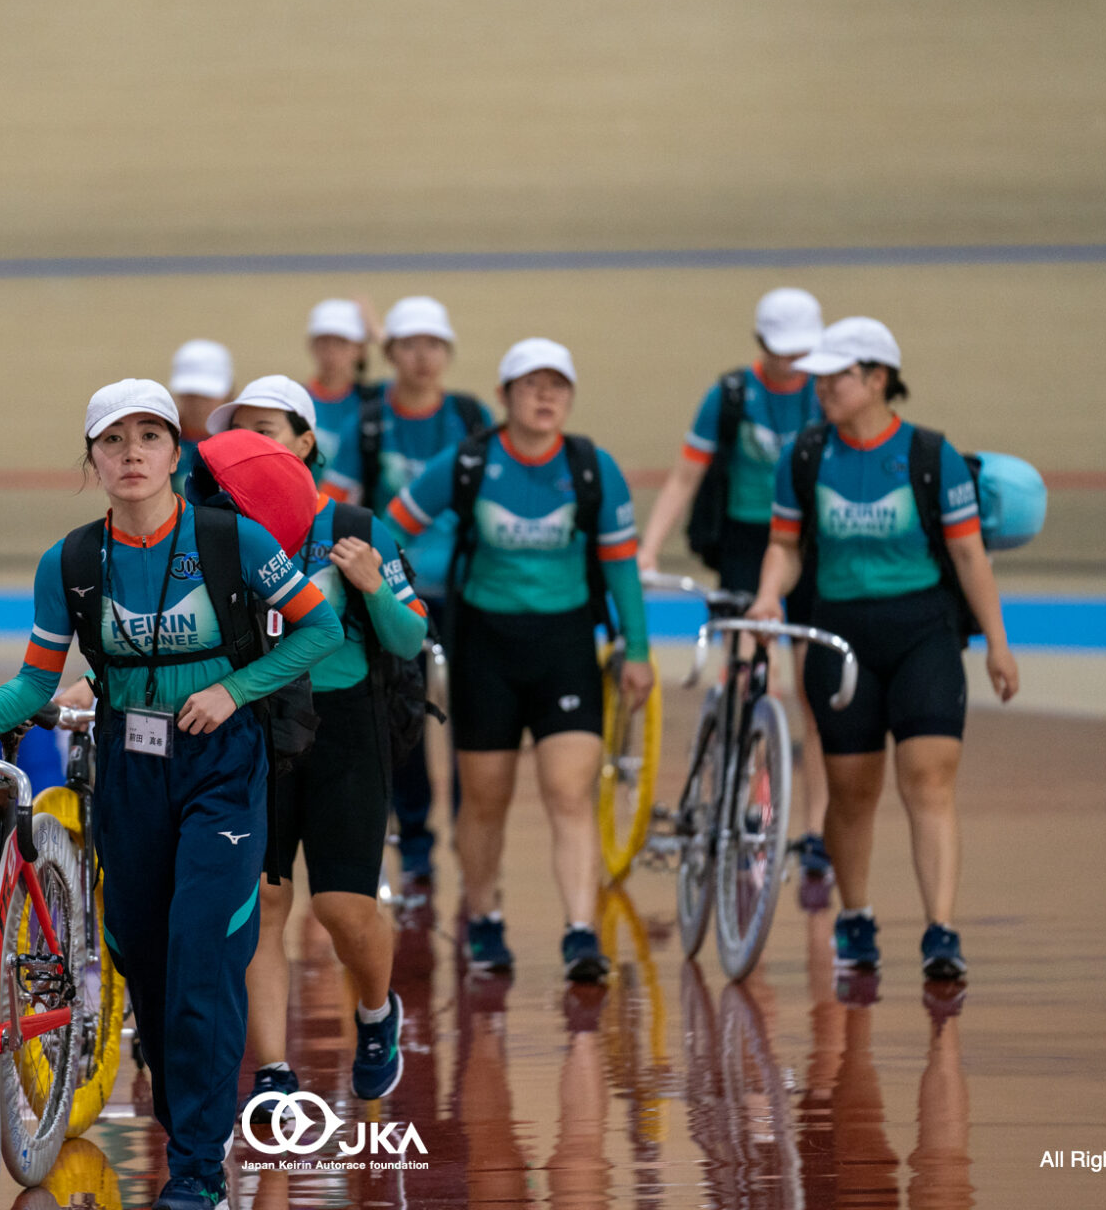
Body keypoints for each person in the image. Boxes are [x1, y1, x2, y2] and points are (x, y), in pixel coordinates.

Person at [0, 379, 340, 1210]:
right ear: (94, 460)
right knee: (143, 961)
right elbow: (34, 682)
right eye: (113, 440)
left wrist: (236, 690)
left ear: (177, 454)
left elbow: (318, 628)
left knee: (200, 955)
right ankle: (193, 1136)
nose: (132, 453)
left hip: (222, 767)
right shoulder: (71, 563)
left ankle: (195, 1173)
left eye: (150, 437)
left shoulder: (233, 541)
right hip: (129, 767)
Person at [754, 317, 1019, 983]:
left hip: (923, 632)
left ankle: (941, 930)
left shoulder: (931, 455)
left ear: (877, 380)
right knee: (851, 790)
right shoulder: (805, 458)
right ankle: (856, 914)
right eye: (818, 378)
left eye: (835, 377)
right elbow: (785, 546)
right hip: (840, 635)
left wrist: (998, 644)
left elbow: (969, 555)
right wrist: (767, 596)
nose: (821, 388)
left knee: (929, 777)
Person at [388, 339, 652, 981]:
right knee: (485, 799)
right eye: (532, 385)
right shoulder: (469, 463)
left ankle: (581, 933)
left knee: (569, 792)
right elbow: (388, 530)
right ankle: (484, 918)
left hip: (566, 648)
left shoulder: (592, 468)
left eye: (557, 386)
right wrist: (393, 600)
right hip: (486, 651)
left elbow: (621, 565)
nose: (545, 397)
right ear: (504, 396)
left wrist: (638, 650)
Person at [211, 376, 427, 1115]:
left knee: (341, 909)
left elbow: (409, 638)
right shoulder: (221, 530)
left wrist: (372, 587)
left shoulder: (356, 526)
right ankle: (273, 1072)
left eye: (266, 429)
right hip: (257, 723)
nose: (250, 444)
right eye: (239, 432)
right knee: (264, 902)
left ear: (305, 443)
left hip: (345, 726)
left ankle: (376, 1011)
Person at [638, 287, 833, 886]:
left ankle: (817, 831)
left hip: (814, 544)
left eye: (803, 351)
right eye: (782, 351)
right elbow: (685, 477)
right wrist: (648, 548)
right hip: (748, 543)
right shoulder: (730, 396)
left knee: (817, 692)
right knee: (747, 671)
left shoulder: (826, 393)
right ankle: (743, 788)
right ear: (760, 344)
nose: (794, 363)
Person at [330, 295, 492, 889]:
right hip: (393, 591)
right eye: (410, 346)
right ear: (391, 353)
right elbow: (337, 502)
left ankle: (469, 835)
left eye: (434, 345)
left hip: (468, 591)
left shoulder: (470, 416)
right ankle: (417, 841)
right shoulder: (370, 424)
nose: (423, 357)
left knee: (472, 718)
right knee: (404, 717)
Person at [302, 298, 374, 501]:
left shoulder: (374, 402)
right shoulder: (295, 401)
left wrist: (383, 336)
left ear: (360, 349)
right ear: (312, 346)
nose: (331, 352)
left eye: (342, 342)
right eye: (323, 342)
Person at [168, 339, 234, 493]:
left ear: (228, 393)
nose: (198, 403)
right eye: (190, 394)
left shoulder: (240, 444)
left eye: (207, 395)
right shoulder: (164, 441)